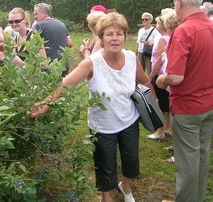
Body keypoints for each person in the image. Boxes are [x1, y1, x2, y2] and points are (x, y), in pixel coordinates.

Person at [31, 12, 157, 202]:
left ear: (125, 36)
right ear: (101, 38)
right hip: (102, 126)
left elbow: (145, 81)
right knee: (105, 165)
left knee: (131, 160)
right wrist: (46, 103)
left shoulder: (132, 58)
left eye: (119, 33)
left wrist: (154, 106)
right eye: (109, 34)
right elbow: (65, 84)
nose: (115, 38)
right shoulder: (91, 63)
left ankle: (126, 187)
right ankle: (105, 197)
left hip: (129, 120)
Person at [156, 0, 213, 202]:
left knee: (187, 161)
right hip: (209, 105)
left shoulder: (184, 31)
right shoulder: (210, 26)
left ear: (179, 2)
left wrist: (162, 79)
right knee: (201, 156)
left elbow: (176, 77)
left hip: (188, 108)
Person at [147, 11, 175, 140]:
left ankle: (160, 131)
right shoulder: (172, 37)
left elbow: (159, 61)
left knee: (160, 104)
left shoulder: (163, 39)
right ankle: (167, 127)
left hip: (160, 75)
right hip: (168, 75)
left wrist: (151, 76)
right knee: (167, 104)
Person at [33, 3, 73, 76]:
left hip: (49, 65)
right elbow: (70, 43)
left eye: (36, 14)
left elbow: (37, 45)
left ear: (44, 13)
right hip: (64, 64)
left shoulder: (39, 26)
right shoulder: (61, 24)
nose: (34, 17)